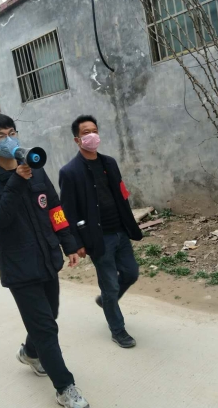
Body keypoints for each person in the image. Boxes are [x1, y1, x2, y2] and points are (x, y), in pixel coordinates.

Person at [0, 113, 90, 408]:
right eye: (0, 136)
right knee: (46, 328)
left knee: (50, 314)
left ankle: (30, 353)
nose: (8, 139)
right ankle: (65, 388)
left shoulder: (36, 170)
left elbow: (55, 209)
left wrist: (69, 244)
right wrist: (16, 181)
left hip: (47, 257)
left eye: (12, 132)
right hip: (19, 267)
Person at [58, 115, 143, 349]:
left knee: (131, 273)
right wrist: (76, 243)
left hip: (120, 231)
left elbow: (121, 194)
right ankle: (118, 330)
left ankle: (107, 301)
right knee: (110, 285)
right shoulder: (70, 172)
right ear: (77, 140)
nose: (92, 135)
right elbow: (68, 211)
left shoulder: (109, 163)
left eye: (94, 130)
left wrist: (129, 223)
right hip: (98, 238)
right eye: (86, 132)